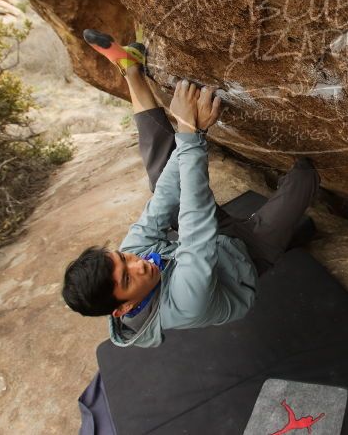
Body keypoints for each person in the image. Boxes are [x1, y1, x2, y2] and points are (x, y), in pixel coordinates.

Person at [61, 30, 320, 348]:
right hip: (252, 255)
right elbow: (197, 233)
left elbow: (163, 202)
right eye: (127, 279)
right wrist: (189, 132)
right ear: (124, 308)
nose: (138, 263)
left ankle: (131, 68)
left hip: (214, 237)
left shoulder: (132, 258)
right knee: (305, 176)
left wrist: (190, 135)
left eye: (122, 258)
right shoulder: (185, 304)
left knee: (162, 177)